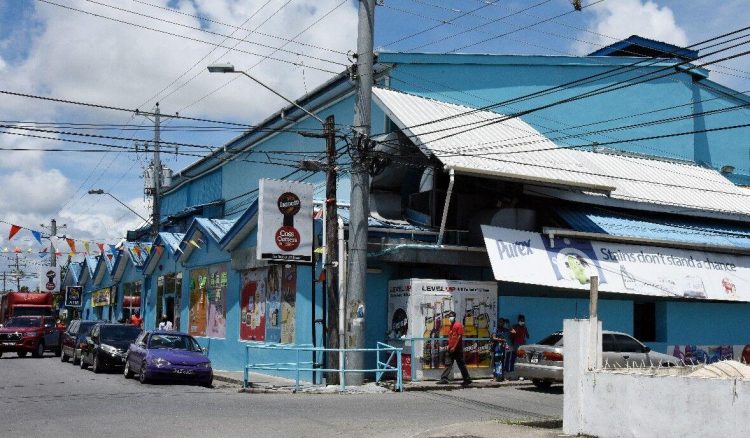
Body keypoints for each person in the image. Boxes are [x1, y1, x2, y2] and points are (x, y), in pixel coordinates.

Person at [437, 311, 472, 385]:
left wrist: (454, 347)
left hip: (457, 349)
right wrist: (449, 347)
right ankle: (444, 378)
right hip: (450, 349)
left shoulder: (458, 325)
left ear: (454, 317)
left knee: (461, 364)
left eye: (451, 316)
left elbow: (459, 337)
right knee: (448, 363)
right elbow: (451, 338)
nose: (450, 318)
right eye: (449, 316)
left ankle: (467, 379)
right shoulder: (451, 326)